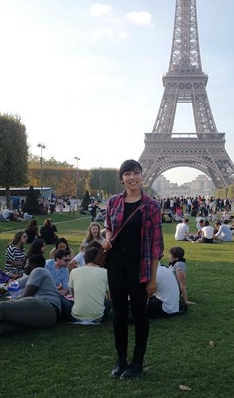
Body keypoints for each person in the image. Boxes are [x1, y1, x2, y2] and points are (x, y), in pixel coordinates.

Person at [101, 159, 163, 379]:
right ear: (121, 178)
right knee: (118, 314)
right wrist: (107, 239)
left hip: (140, 266)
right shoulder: (112, 202)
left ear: (142, 176)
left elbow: (157, 247)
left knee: (139, 314)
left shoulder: (152, 206)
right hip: (116, 265)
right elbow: (109, 227)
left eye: (136, 172)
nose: (132, 177)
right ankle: (121, 359)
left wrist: (153, 279)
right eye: (127, 174)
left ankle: (137, 361)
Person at [66, 246, 111, 324]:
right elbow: (109, 298)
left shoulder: (74, 271)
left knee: (63, 300)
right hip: (98, 317)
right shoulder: (105, 272)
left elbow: (74, 296)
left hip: (76, 316)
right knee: (108, 303)